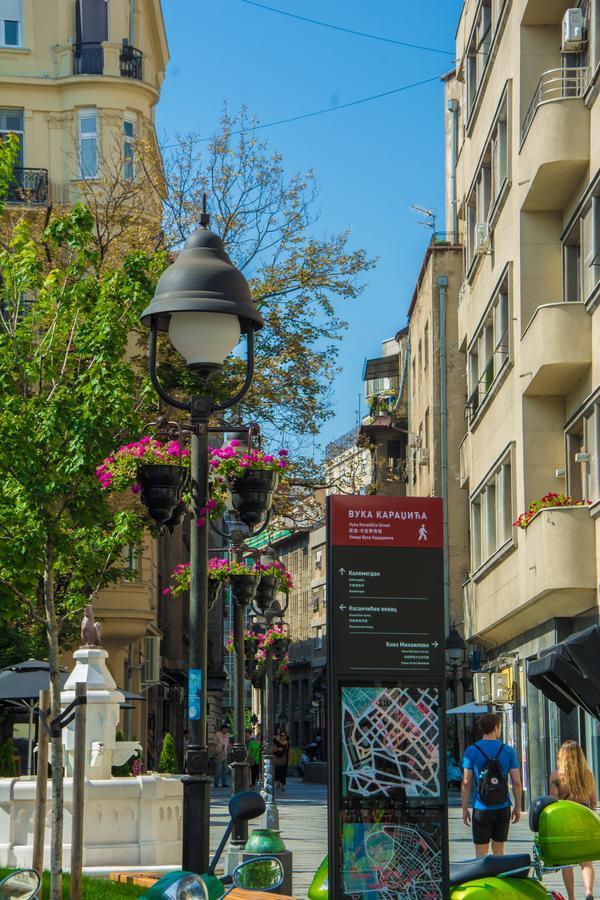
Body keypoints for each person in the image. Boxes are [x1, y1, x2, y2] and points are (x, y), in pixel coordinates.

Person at [461, 712, 522, 857]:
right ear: (496, 728)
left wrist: (464, 808)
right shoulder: (508, 751)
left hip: (481, 808)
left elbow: (466, 782)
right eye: (499, 727)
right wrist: (517, 806)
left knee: (480, 856)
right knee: (499, 852)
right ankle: (498, 878)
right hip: (503, 807)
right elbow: (517, 782)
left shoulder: (471, 751)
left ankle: (484, 879)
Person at [550, 739, 597, 900]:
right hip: (584, 822)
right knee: (586, 861)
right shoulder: (588, 775)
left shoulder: (556, 776)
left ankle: (571, 897)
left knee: (567, 863)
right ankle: (589, 892)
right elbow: (594, 801)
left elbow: (553, 801)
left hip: (565, 823)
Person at [213, 723, 230, 789]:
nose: (226, 730)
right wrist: (219, 748)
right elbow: (214, 744)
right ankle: (216, 783)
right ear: (222, 729)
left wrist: (228, 750)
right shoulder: (217, 734)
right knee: (218, 770)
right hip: (218, 754)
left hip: (225, 754)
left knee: (224, 770)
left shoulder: (227, 735)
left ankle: (224, 783)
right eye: (225, 729)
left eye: (227, 729)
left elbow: (227, 744)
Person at [273, 726, 289, 792]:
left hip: (285, 758)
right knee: (278, 771)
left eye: (284, 735)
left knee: (284, 772)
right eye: (282, 735)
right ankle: (278, 783)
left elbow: (289, 751)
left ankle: (282, 786)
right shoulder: (276, 741)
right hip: (278, 758)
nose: (282, 736)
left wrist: (290, 759)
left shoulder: (287, 743)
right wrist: (277, 749)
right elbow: (273, 750)